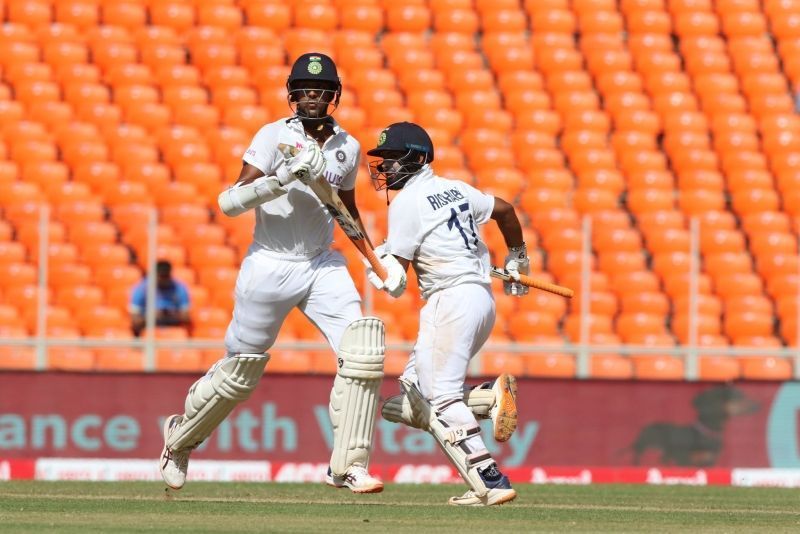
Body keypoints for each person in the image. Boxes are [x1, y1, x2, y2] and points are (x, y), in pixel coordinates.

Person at [159, 53, 397, 494]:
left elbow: (345, 209)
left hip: (321, 261)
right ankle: (180, 439)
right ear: (292, 95)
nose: (312, 97)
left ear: (334, 96)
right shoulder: (272, 136)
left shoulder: (347, 146)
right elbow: (231, 201)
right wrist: (283, 176)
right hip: (270, 261)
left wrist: (373, 261)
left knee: (363, 351)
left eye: (320, 90)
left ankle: (348, 466)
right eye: (305, 90)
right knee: (240, 372)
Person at [364, 121, 529, 506]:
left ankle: (490, 480)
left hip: (449, 302)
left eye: (392, 158)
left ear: (417, 158)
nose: (384, 167)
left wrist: (379, 269)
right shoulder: (455, 187)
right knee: (404, 401)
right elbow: (504, 210)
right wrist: (518, 258)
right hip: (480, 301)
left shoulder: (407, 202)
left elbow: (396, 279)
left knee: (441, 401)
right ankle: (487, 398)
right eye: (382, 160)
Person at [129, 260, 191, 337]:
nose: (163, 280)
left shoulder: (179, 288)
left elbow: (186, 317)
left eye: (166, 276)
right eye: (161, 276)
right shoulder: (141, 289)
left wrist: (169, 315)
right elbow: (135, 320)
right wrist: (152, 316)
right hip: (148, 328)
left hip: (173, 328)